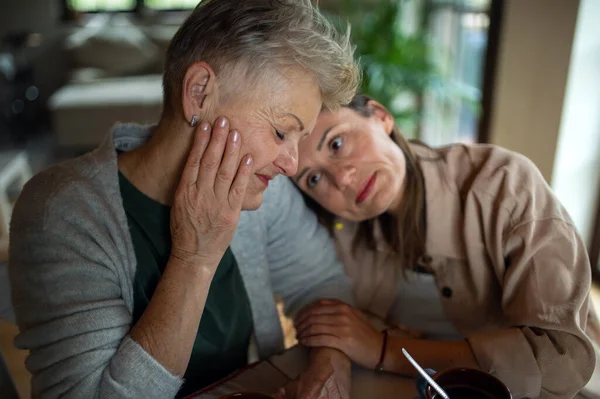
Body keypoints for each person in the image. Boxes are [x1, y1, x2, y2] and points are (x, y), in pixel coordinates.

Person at [8, 1, 361, 398]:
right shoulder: (61, 213)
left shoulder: (259, 186)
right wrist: (195, 258)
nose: (291, 164)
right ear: (199, 94)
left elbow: (321, 282)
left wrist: (331, 360)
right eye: (281, 132)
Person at [292, 94, 600, 398]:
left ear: (381, 116)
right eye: (315, 179)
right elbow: (330, 315)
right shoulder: (341, 227)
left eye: (337, 143)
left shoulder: (505, 186)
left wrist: (385, 351)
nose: (342, 179)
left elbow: (562, 362)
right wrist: (332, 355)